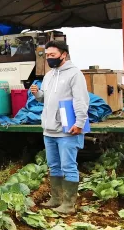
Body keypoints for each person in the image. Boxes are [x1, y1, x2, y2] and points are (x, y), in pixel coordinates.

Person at [31, 41, 88, 215]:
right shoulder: (49, 76)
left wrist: (79, 123)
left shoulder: (75, 75)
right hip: (49, 130)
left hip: (67, 130)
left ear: (64, 55)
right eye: (46, 55)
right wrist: (37, 94)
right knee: (54, 166)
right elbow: (46, 99)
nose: (49, 58)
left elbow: (81, 100)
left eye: (52, 55)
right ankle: (56, 199)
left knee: (69, 166)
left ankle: (69, 205)